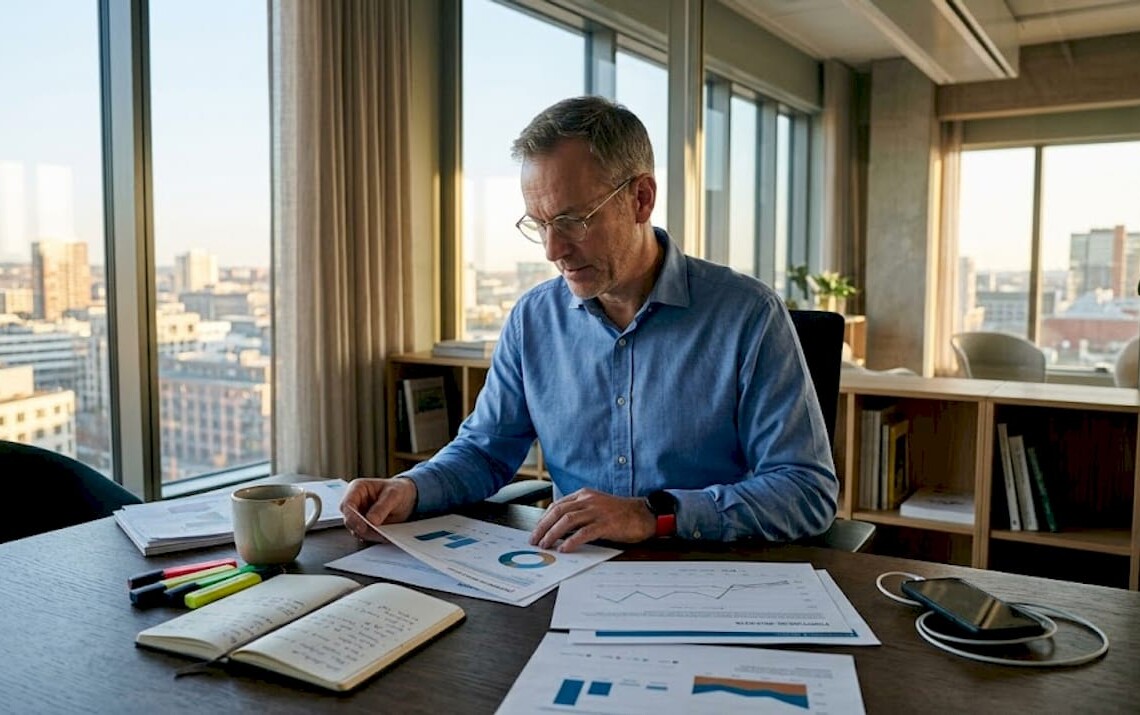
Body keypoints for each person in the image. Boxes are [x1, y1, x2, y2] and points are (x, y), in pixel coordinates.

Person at [342, 96, 838, 552]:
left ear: (641, 199)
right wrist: (410, 488)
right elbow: (484, 451)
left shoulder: (747, 316)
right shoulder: (533, 320)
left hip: (709, 576)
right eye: (540, 224)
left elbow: (806, 490)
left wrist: (654, 514)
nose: (553, 251)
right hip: (568, 575)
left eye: (574, 220)